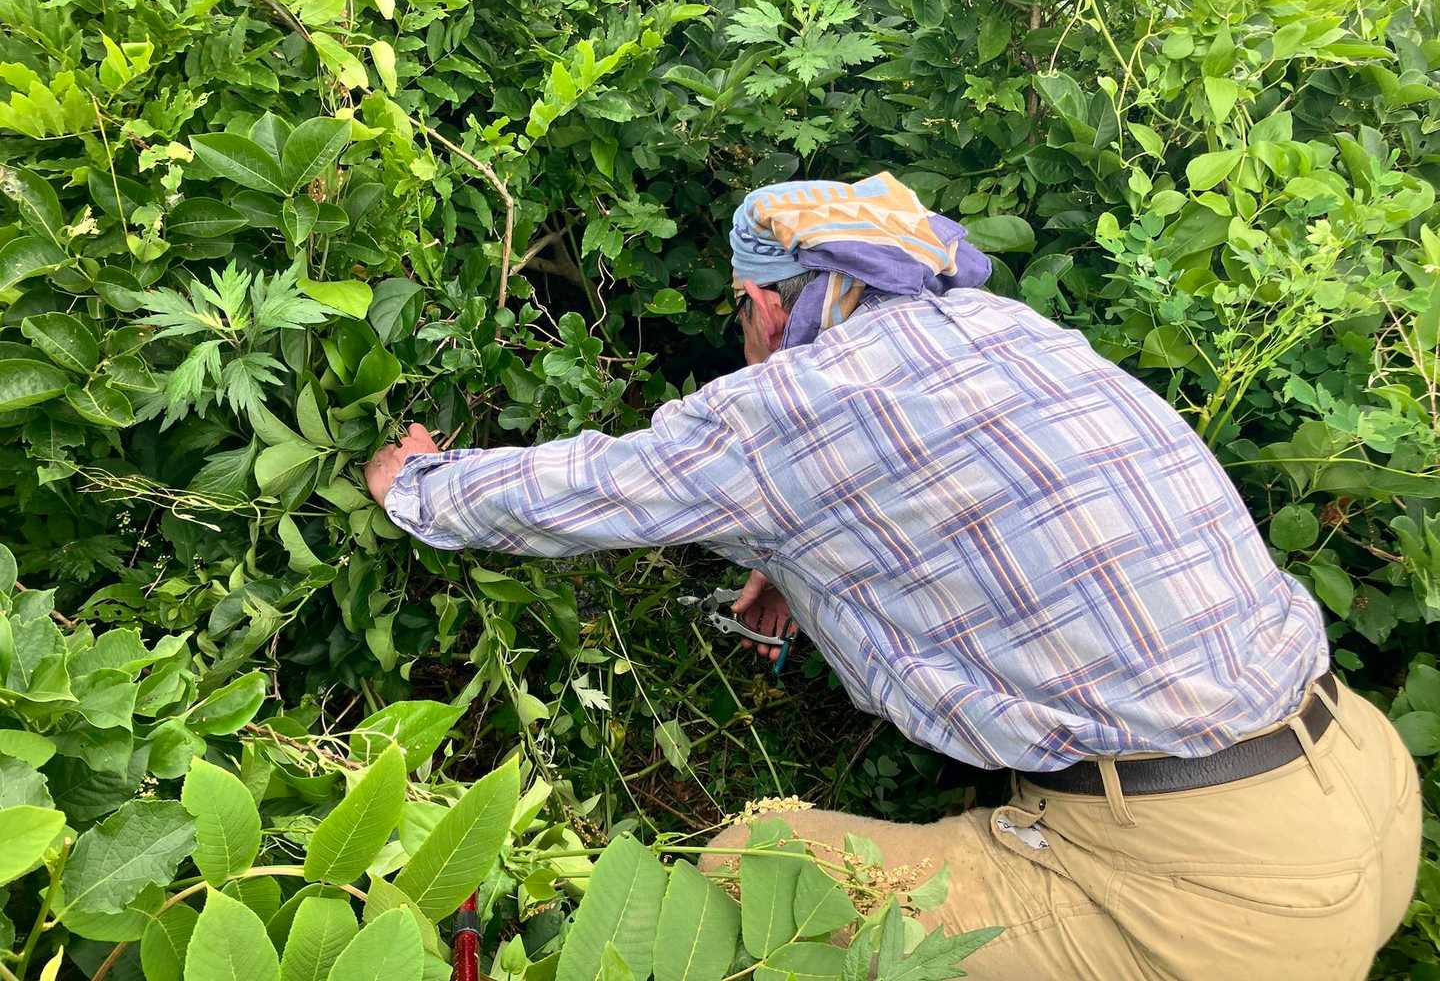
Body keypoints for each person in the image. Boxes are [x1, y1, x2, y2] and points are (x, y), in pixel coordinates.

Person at [365, 175, 1419, 979]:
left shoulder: (802, 394)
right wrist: (795, 562)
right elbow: (982, 517)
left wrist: (416, 483)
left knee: (751, 867)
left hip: (1212, 908)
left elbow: (591, 490)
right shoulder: (1012, 332)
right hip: (1362, 788)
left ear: (765, 303)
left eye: (741, 320)